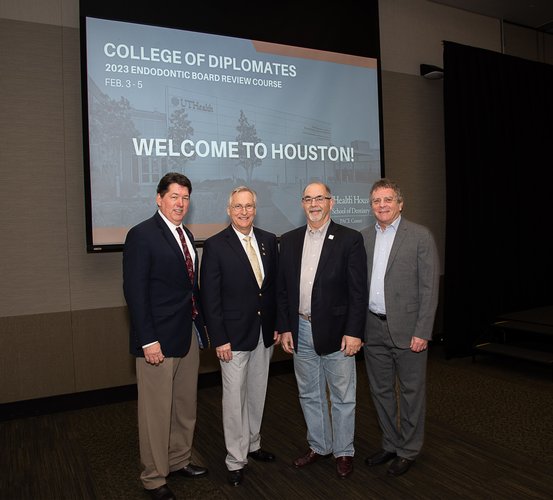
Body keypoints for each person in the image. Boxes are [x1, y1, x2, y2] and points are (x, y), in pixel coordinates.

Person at [123, 172, 210, 500]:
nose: (181, 203)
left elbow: (190, 288)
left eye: (185, 198)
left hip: (186, 335)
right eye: (174, 196)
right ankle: (155, 478)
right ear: (159, 198)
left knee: (184, 405)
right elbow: (135, 292)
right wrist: (148, 340)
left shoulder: (185, 233)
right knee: (155, 413)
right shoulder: (142, 235)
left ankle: (178, 460)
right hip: (157, 340)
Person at [277, 181, 368, 479]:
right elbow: (283, 291)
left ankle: (344, 451)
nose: (314, 204)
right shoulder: (288, 241)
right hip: (300, 329)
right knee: (309, 393)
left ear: (332, 202)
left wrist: (354, 332)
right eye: (308, 199)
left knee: (342, 396)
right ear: (302, 203)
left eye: (320, 198)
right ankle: (320, 445)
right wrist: (286, 327)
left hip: (339, 332)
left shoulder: (349, 239)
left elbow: (357, 292)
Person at [200, 186, 279, 487]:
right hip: (231, 338)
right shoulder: (216, 245)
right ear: (228, 210)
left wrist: (276, 323)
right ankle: (235, 459)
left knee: (257, 393)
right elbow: (210, 297)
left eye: (249, 206)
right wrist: (219, 338)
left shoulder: (269, 241)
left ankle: (253, 444)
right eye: (238, 207)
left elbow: (272, 289)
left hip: (262, 333)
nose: (244, 212)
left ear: (255, 209)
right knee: (234, 399)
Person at [362, 178, 440, 477]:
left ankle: (409, 449)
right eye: (376, 201)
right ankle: (390, 444)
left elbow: (429, 288)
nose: (382, 205)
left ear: (400, 203)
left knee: (410, 393)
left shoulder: (420, 236)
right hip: (373, 328)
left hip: (409, 331)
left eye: (387, 200)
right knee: (380, 392)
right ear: (371, 206)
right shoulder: (364, 237)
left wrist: (423, 331)